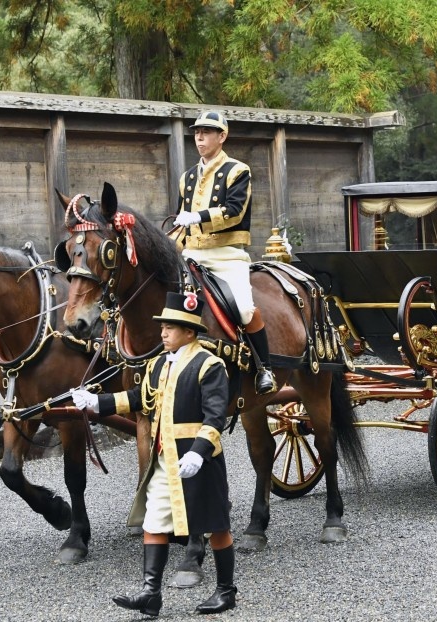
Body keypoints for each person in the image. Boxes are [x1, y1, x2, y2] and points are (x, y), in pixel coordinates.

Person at [72, 290, 237, 617]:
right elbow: (138, 399)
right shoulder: (157, 364)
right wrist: (97, 403)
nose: (163, 332)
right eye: (163, 326)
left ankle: (226, 591)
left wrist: (200, 452)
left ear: (189, 332)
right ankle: (151, 593)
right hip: (164, 460)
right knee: (154, 521)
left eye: (171, 327)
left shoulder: (210, 365)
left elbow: (215, 416)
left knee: (214, 524)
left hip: (198, 461)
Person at [172, 110, 275, 395]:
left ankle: (264, 368)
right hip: (190, 254)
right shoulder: (187, 177)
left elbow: (233, 211)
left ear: (222, 136)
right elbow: (181, 221)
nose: (200, 137)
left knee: (243, 308)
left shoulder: (238, 170)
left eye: (207, 131)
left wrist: (198, 217)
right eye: (197, 132)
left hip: (227, 255)